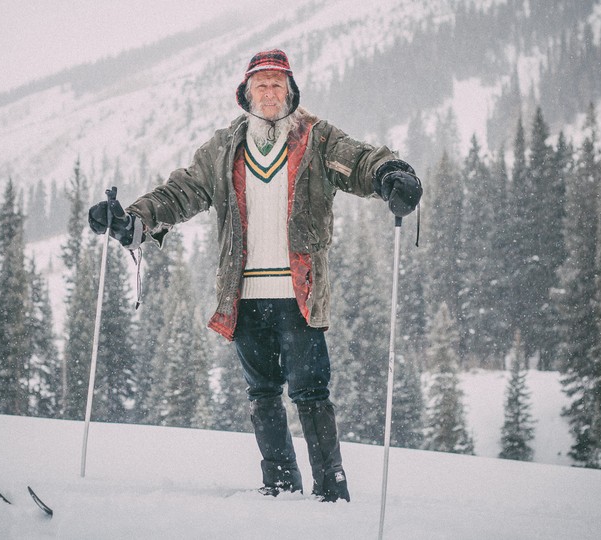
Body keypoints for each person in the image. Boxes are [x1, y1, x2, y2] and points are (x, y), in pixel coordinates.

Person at [88, 48, 422, 502]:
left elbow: (359, 162)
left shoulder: (317, 138)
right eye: (260, 85)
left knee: (310, 392)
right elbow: (181, 192)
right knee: (263, 394)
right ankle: (280, 488)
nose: (269, 92)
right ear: (246, 95)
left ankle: (330, 490)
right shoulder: (223, 148)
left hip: (298, 293)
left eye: (276, 84)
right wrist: (132, 220)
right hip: (244, 295)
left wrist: (390, 172)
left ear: (291, 91)